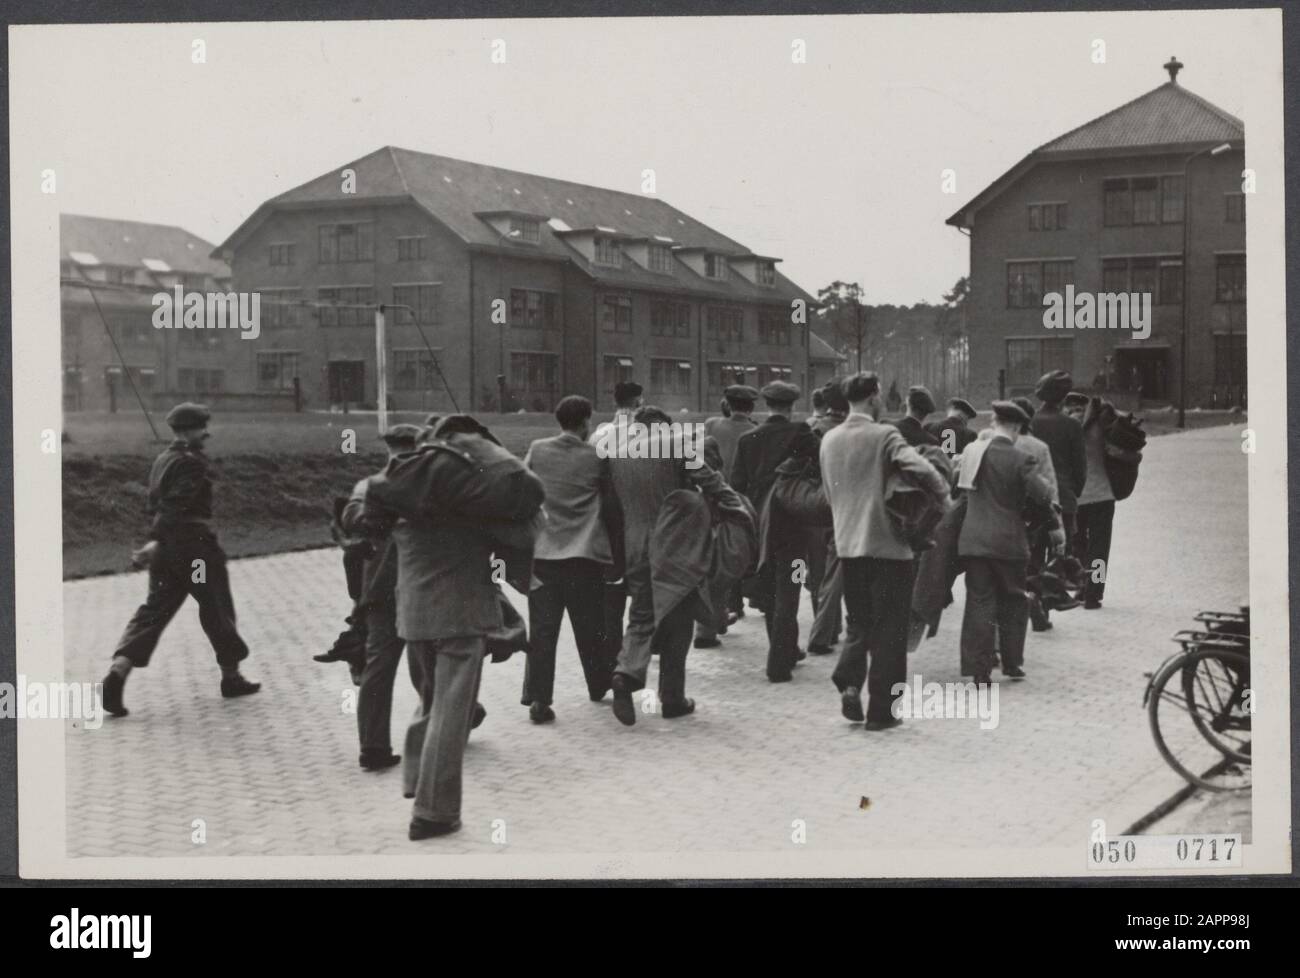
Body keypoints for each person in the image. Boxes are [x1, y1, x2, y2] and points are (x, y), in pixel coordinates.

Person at [361, 415, 543, 840]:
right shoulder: (473, 511)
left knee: (428, 702)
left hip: (414, 617)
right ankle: (434, 813)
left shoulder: (401, 503)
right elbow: (523, 533)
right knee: (450, 714)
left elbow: (362, 518)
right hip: (461, 617)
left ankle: (415, 780)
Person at [101, 403, 260, 717]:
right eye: (202, 429)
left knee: (154, 609)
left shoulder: (163, 459)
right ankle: (231, 677)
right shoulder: (191, 463)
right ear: (190, 430)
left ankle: (119, 670)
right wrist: (156, 540)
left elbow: (155, 505)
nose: (206, 434)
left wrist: (157, 542)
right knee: (215, 606)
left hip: (167, 553)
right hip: (195, 550)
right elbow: (176, 505)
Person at [822, 373, 948, 730]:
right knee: (891, 630)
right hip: (889, 547)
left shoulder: (829, 439)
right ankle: (882, 712)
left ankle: (849, 682)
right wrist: (942, 495)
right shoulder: (884, 435)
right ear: (875, 398)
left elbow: (829, 496)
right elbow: (921, 468)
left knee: (859, 622)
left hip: (848, 546)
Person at [607, 407, 743, 725]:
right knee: (679, 617)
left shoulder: (616, 452)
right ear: (663, 426)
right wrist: (736, 506)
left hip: (634, 544)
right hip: (674, 543)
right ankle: (671, 697)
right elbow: (709, 480)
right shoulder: (675, 444)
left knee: (641, 615)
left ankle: (625, 674)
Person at [522, 395, 625, 721]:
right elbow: (610, 507)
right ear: (584, 422)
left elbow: (523, 491)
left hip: (543, 554)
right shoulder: (597, 457)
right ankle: (598, 685)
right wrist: (616, 555)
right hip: (584, 555)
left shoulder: (538, 449)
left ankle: (539, 700)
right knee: (590, 627)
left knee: (542, 631)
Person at [341, 423, 429, 770]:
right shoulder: (427, 487)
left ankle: (373, 747)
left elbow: (351, 519)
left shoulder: (370, 486)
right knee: (430, 659)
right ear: (419, 448)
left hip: (379, 588)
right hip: (421, 586)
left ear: (389, 449)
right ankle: (449, 723)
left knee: (379, 665)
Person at [956, 401, 1063, 684]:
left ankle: (979, 670)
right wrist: (1054, 527)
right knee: (1013, 601)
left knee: (979, 603)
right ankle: (1012, 663)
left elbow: (956, 483)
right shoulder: (1020, 458)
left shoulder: (971, 453)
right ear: (1015, 427)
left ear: (994, 422)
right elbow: (1042, 495)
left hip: (974, 541)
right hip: (1009, 542)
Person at [731, 380, 809, 682]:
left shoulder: (748, 439)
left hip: (760, 526)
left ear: (767, 405)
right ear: (790, 407)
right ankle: (778, 662)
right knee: (790, 589)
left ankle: (786, 650)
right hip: (794, 525)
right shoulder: (802, 434)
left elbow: (737, 485)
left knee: (770, 590)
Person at [592, 380, 643, 675]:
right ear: (638, 401)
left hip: (609, 520)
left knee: (612, 591)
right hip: (638, 516)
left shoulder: (601, 433)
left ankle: (611, 652)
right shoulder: (647, 433)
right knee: (642, 588)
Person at [702, 384, 760, 629]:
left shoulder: (712, 425)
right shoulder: (756, 430)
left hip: (713, 496)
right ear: (752, 406)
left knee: (717, 553)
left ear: (727, 404)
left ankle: (724, 608)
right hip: (743, 498)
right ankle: (738, 602)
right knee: (739, 549)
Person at [807, 380, 850, 656]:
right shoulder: (847, 433)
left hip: (813, 507)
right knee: (835, 572)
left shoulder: (813, 430)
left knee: (816, 570)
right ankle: (824, 632)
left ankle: (827, 628)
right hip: (841, 507)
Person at [1030, 371, 1087, 556]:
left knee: (1034, 557)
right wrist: (1075, 491)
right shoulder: (1072, 425)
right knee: (1063, 558)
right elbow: (1080, 467)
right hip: (1064, 497)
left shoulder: (1030, 422)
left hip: (1034, 499)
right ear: (1064, 396)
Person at [1073, 393, 1118, 610]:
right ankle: (1094, 592)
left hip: (1077, 497)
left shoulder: (1069, 429)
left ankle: (1082, 586)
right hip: (1103, 495)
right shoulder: (1101, 425)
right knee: (1099, 549)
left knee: (1078, 545)